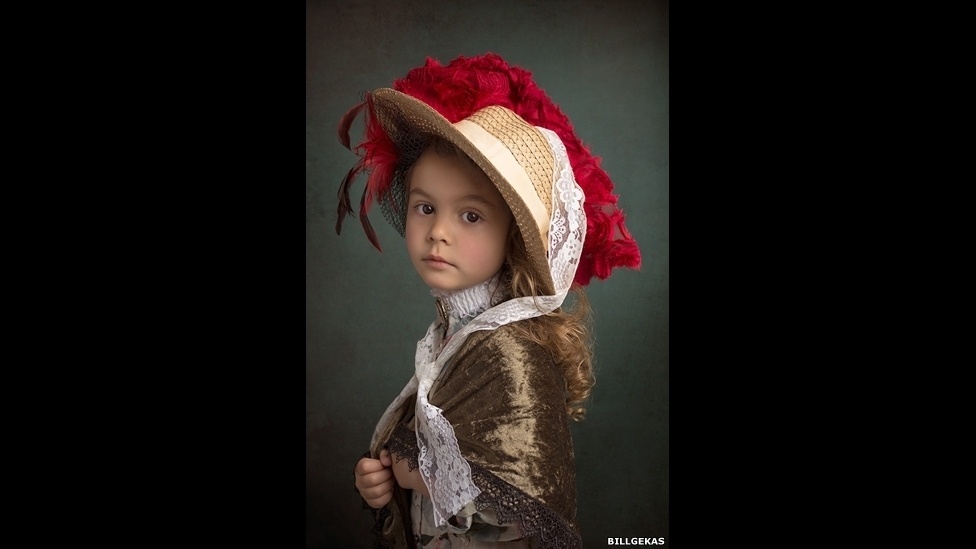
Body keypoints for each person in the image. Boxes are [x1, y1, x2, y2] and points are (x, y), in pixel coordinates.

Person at [336, 53, 641, 548]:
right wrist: (383, 485)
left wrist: (419, 475)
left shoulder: (511, 351)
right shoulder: (451, 333)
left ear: (512, 238)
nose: (437, 231)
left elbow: (526, 490)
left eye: (470, 216)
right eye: (425, 207)